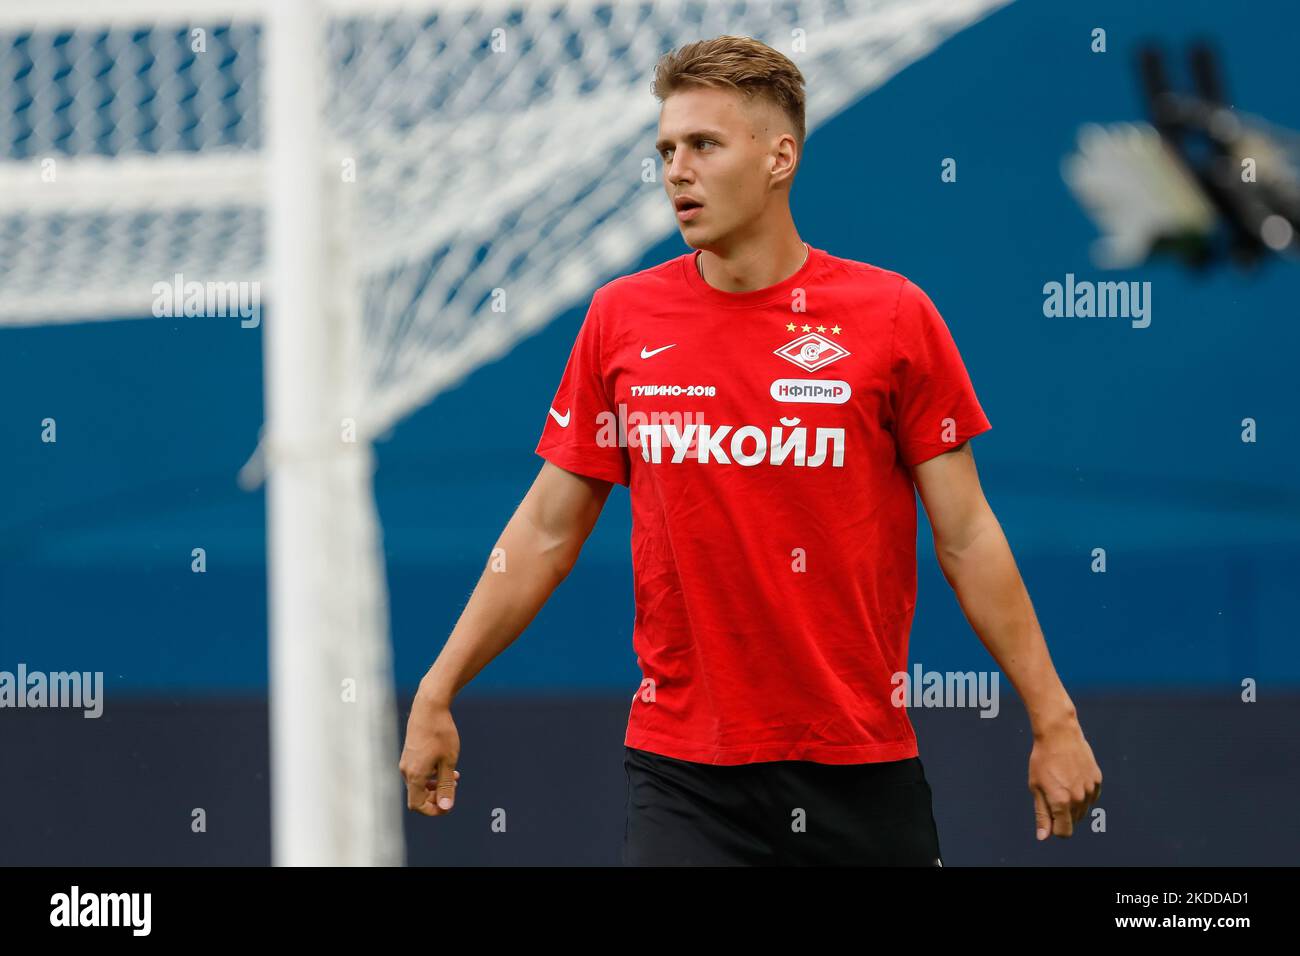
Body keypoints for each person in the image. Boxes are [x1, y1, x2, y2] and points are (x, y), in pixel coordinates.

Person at [399, 34, 1102, 865]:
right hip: (683, 776)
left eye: (703, 144)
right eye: (665, 149)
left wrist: (1053, 718)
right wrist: (438, 687)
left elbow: (967, 536)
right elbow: (547, 531)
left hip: (861, 768)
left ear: (779, 157)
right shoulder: (620, 320)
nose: (675, 171)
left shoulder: (893, 317)